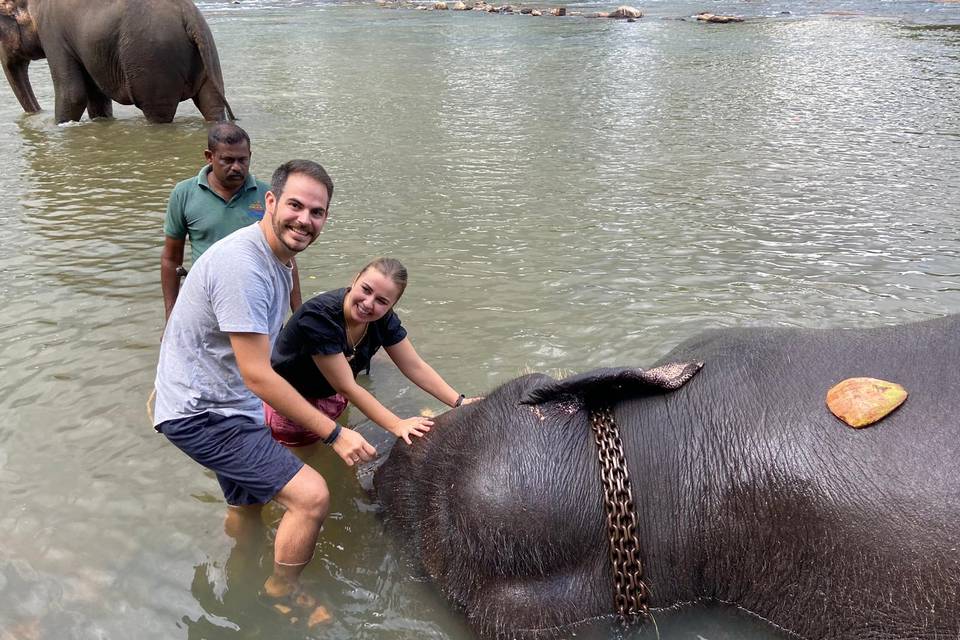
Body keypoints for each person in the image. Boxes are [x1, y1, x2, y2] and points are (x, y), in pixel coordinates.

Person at [153, 160, 375, 603]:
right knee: (311, 497)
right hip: (204, 411)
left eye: (317, 212)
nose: (305, 220)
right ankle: (282, 595)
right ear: (269, 202)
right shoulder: (245, 268)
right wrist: (333, 433)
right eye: (295, 205)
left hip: (218, 398)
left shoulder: (278, 258)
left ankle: (240, 563)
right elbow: (258, 374)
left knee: (248, 505)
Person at [266, 257, 478, 448]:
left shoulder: (382, 319)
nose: (368, 304)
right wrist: (396, 424)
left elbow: (414, 366)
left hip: (333, 394)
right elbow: (347, 386)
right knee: (308, 461)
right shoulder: (319, 318)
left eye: (382, 301)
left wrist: (459, 402)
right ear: (355, 279)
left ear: (392, 304)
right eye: (366, 289)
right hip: (292, 401)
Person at [160, 122, 302, 320]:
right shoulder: (184, 194)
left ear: (250, 156)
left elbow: (287, 258)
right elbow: (171, 258)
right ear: (209, 157)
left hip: (260, 297)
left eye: (242, 160)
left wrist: (299, 316)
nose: (236, 167)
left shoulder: (267, 196)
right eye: (227, 160)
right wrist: (171, 314)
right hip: (206, 298)